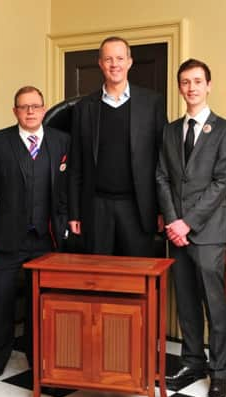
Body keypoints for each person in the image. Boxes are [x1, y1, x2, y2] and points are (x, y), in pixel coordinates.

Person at [0, 86, 70, 388]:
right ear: (15, 111)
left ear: (43, 110)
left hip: (46, 240)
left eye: (35, 106)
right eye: (24, 107)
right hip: (5, 241)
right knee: (0, 302)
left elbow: (68, 189)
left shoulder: (61, 141)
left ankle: (37, 359)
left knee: (40, 304)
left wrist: (67, 224)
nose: (30, 111)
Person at [156, 59, 226, 397]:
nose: (191, 88)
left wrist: (187, 222)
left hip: (206, 233)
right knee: (186, 302)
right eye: (185, 82)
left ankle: (219, 374)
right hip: (176, 234)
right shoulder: (170, 130)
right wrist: (174, 222)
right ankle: (193, 362)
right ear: (180, 88)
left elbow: (222, 183)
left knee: (214, 306)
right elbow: (161, 177)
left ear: (209, 85)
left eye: (197, 81)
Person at [68, 36, 167, 257]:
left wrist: (162, 210)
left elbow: (163, 161)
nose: (115, 65)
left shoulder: (152, 103)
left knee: (138, 279)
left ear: (130, 62)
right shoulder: (84, 108)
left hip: (138, 208)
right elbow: (76, 165)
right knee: (98, 278)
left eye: (120, 58)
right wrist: (74, 213)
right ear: (101, 63)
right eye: (109, 59)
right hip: (96, 207)